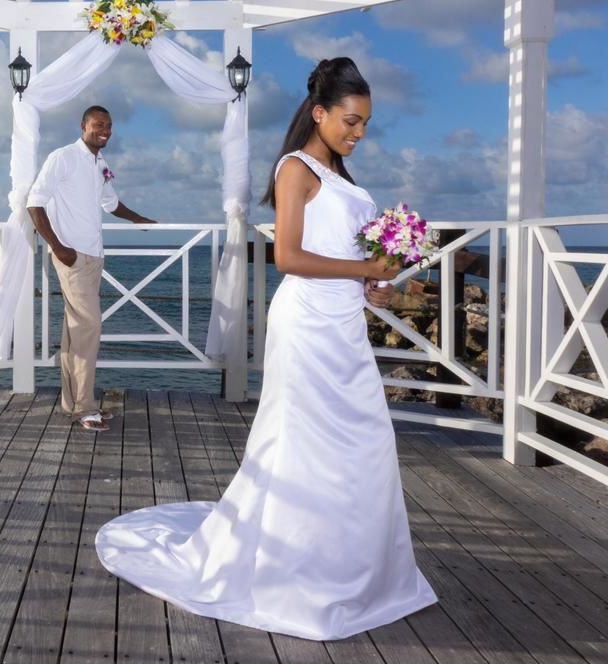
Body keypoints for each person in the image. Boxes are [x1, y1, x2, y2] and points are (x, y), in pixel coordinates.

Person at [95, 58, 438, 639]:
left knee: (363, 441)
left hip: (343, 322)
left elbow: (341, 258)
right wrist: (362, 266)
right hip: (306, 322)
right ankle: (297, 573)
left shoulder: (343, 179)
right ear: (320, 112)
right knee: (307, 441)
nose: (358, 133)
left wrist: (372, 281)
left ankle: (354, 570)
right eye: (350, 121)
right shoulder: (294, 169)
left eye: (365, 124)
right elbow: (289, 258)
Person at [27, 105, 155, 432]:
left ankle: (73, 404)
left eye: (109, 126)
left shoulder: (101, 164)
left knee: (77, 333)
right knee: (90, 327)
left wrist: (137, 218)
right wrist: (57, 247)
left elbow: (110, 203)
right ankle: (84, 408)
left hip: (94, 256)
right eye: (99, 124)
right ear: (83, 125)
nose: (106, 130)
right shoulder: (63, 157)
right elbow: (35, 202)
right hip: (72, 256)